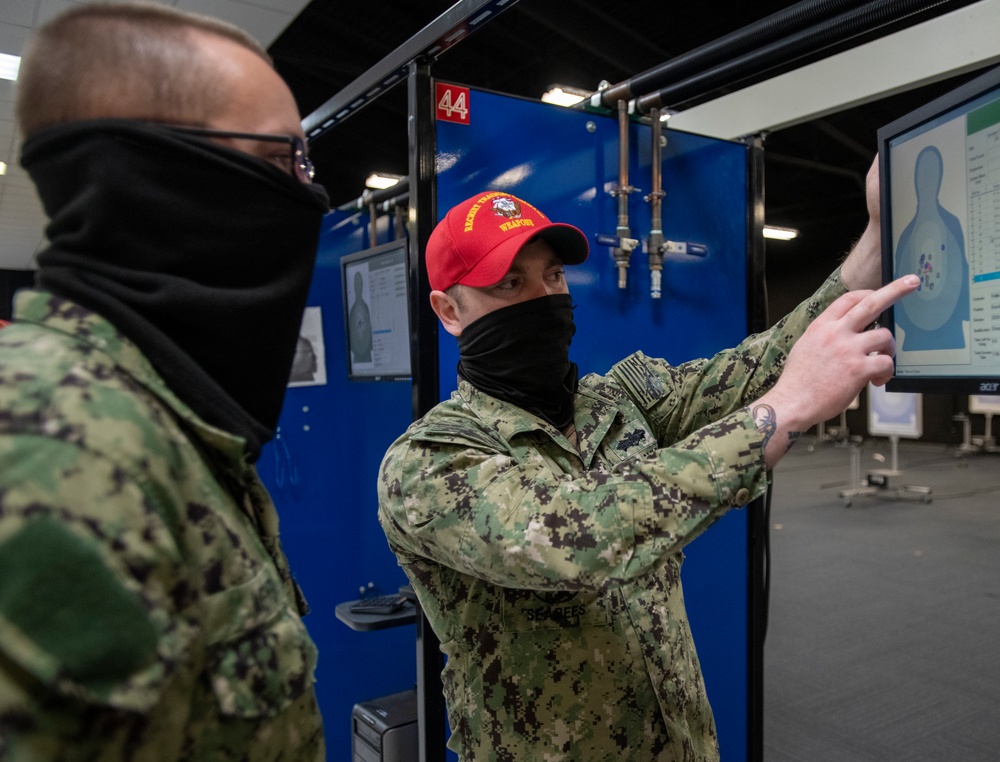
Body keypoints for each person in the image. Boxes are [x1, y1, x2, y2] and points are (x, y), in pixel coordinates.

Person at [377, 182, 919, 761]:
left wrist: (877, 241)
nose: (542, 297)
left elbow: (756, 366)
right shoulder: (428, 462)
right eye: (510, 283)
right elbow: (574, 539)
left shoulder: (615, 404)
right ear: (449, 311)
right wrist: (780, 413)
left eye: (553, 276)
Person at [0, 3, 329, 759]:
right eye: (288, 161)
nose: (312, 196)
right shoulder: (51, 448)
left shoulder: (162, 425)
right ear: (153, 170)